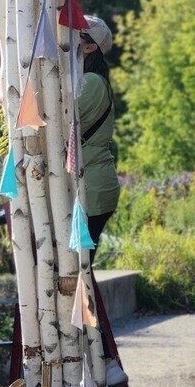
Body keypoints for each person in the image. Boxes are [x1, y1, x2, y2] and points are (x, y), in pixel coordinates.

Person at [77, 15, 119, 260]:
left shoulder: (91, 82)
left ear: (90, 47)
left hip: (92, 190)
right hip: (91, 186)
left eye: (76, 36)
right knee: (80, 268)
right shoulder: (87, 80)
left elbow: (59, 118)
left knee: (80, 267)